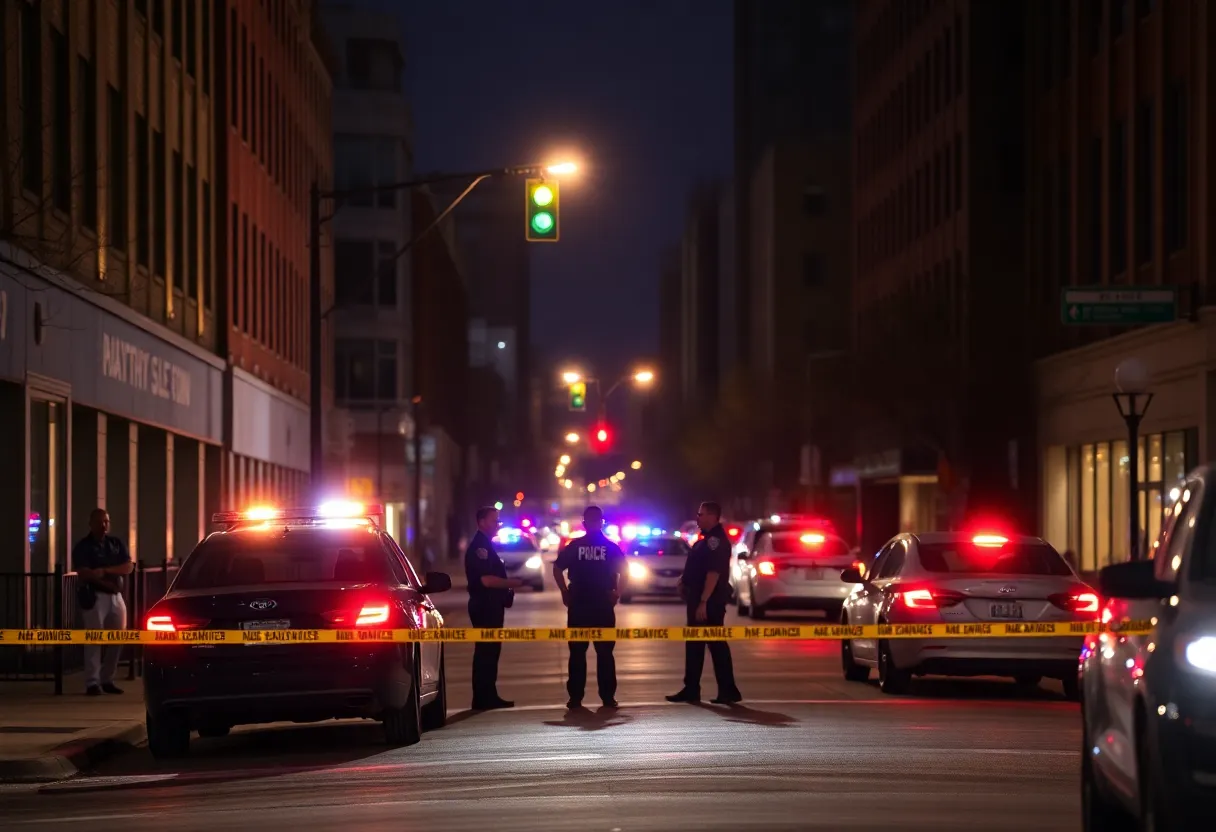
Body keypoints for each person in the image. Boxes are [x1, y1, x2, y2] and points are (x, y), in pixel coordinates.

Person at [667, 501, 743, 705]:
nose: (697, 518)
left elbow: (713, 573)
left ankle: (728, 690)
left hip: (709, 601)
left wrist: (703, 602)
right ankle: (692, 688)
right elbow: (698, 567)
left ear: (711, 516)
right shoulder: (706, 540)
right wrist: (684, 581)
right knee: (695, 645)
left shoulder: (715, 541)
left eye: (700, 514)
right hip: (699, 598)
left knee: (716, 644)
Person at [552, 505, 626, 709]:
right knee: (605, 654)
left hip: (579, 604)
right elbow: (625, 571)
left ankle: (575, 698)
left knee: (577, 653)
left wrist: (564, 592)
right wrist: (617, 593)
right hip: (603, 604)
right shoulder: (611, 547)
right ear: (602, 522)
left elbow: (557, 569)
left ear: (584, 523)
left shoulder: (575, 546)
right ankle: (608, 698)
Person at [464, 505, 524, 710]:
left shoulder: (487, 546)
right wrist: (514, 583)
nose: (497, 524)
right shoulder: (479, 548)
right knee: (486, 652)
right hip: (485, 606)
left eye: (498, 520)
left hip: (491, 606)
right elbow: (486, 580)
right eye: (493, 520)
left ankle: (487, 694)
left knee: (490, 651)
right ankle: (483, 697)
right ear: (481, 522)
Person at [71, 508, 134, 696]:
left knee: (118, 638)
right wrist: (103, 580)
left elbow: (128, 566)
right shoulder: (83, 546)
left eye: (106, 521)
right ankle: (92, 682)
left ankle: (107, 679)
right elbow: (84, 572)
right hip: (95, 596)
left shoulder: (115, 543)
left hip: (116, 596)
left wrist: (105, 571)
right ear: (91, 524)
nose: (104, 525)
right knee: (94, 639)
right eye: (100, 522)